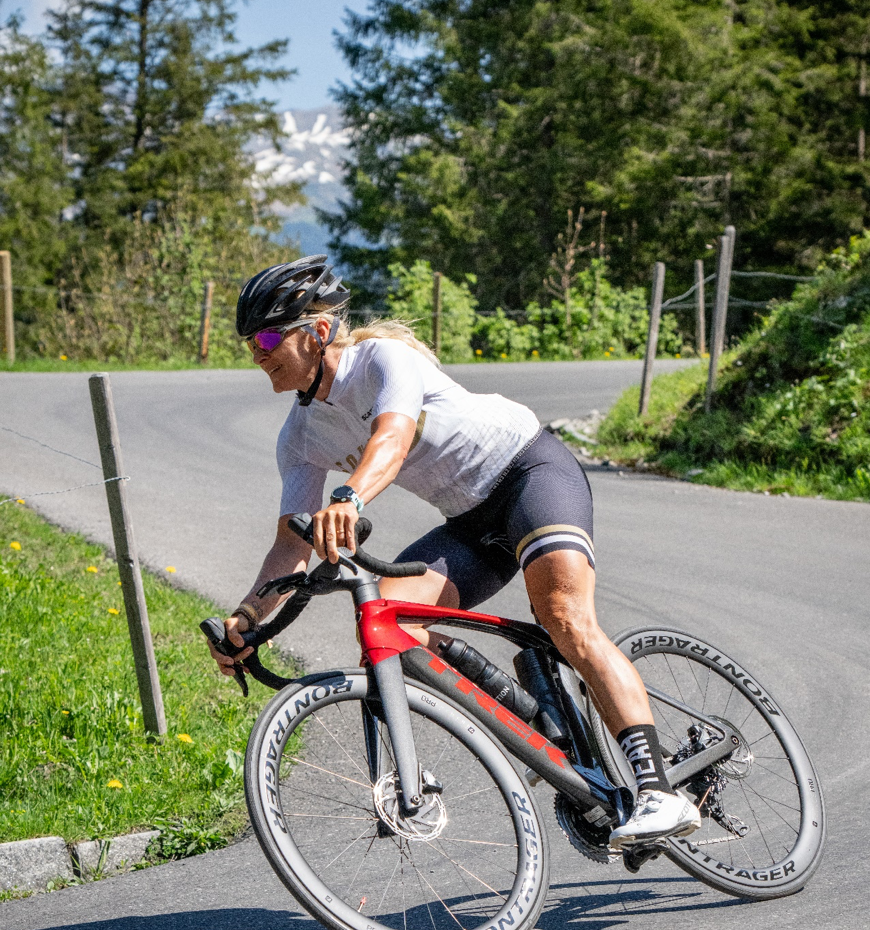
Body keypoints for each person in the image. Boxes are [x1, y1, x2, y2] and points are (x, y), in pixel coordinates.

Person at [208, 254, 700, 847]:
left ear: (316, 332)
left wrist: (348, 497)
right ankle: (540, 729)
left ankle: (658, 792)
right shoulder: (299, 436)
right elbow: (292, 541)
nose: (256, 353)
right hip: (470, 521)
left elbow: (393, 437)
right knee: (392, 625)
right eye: (249, 343)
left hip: (528, 474)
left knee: (565, 617)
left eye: (266, 338)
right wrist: (249, 616)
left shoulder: (381, 359)